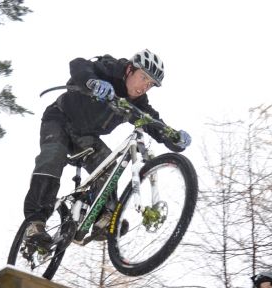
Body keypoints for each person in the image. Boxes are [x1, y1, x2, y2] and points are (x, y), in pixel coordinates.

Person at [23, 49, 192, 249]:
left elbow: (154, 124)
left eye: (150, 84)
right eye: (143, 78)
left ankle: (103, 219)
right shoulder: (111, 69)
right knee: (53, 158)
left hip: (85, 137)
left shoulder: (138, 104)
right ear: (130, 70)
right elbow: (78, 64)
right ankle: (34, 224)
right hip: (59, 118)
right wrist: (93, 82)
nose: (144, 87)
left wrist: (174, 138)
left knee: (109, 166)